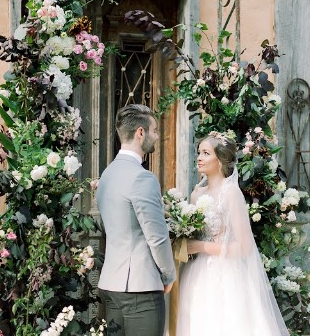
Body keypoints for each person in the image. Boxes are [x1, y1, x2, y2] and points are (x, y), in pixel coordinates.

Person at [176, 131, 290, 336]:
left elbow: (244, 247)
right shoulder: (196, 194)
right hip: (195, 273)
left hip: (224, 273)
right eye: (199, 152)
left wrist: (201, 246)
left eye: (206, 153)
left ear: (220, 160)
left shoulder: (230, 193)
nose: (199, 158)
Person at [97, 104, 176, 336]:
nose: (157, 136)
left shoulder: (107, 175)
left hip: (111, 284)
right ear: (141, 132)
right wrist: (168, 275)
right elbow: (157, 237)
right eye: (155, 130)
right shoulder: (142, 178)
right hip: (140, 288)